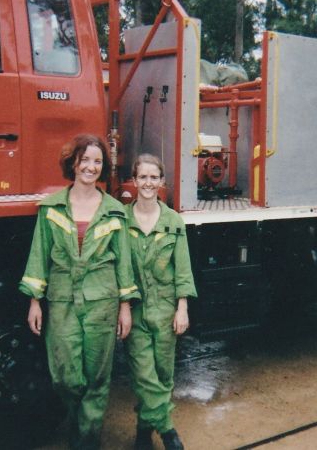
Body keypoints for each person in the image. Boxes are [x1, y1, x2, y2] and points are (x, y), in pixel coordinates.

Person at [19, 133, 140, 450]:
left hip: (102, 301)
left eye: (97, 161)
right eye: (84, 160)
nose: (91, 167)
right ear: (72, 163)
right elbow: (38, 254)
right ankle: (78, 423)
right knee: (66, 377)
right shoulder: (51, 208)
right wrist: (35, 301)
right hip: (61, 301)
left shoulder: (114, 211)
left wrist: (125, 307)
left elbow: (124, 262)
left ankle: (86, 441)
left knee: (98, 379)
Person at [125, 154, 197, 450]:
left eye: (154, 177)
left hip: (167, 310)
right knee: (144, 373)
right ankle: (168, 432)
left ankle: (143, 431)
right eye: (143, 177)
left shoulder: (173, 221)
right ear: (134, 179)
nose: (148, 183)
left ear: (162, 182)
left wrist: (183, 308)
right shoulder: (121, 220)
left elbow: (183, 269)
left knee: (163, 374)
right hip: (136, 311)